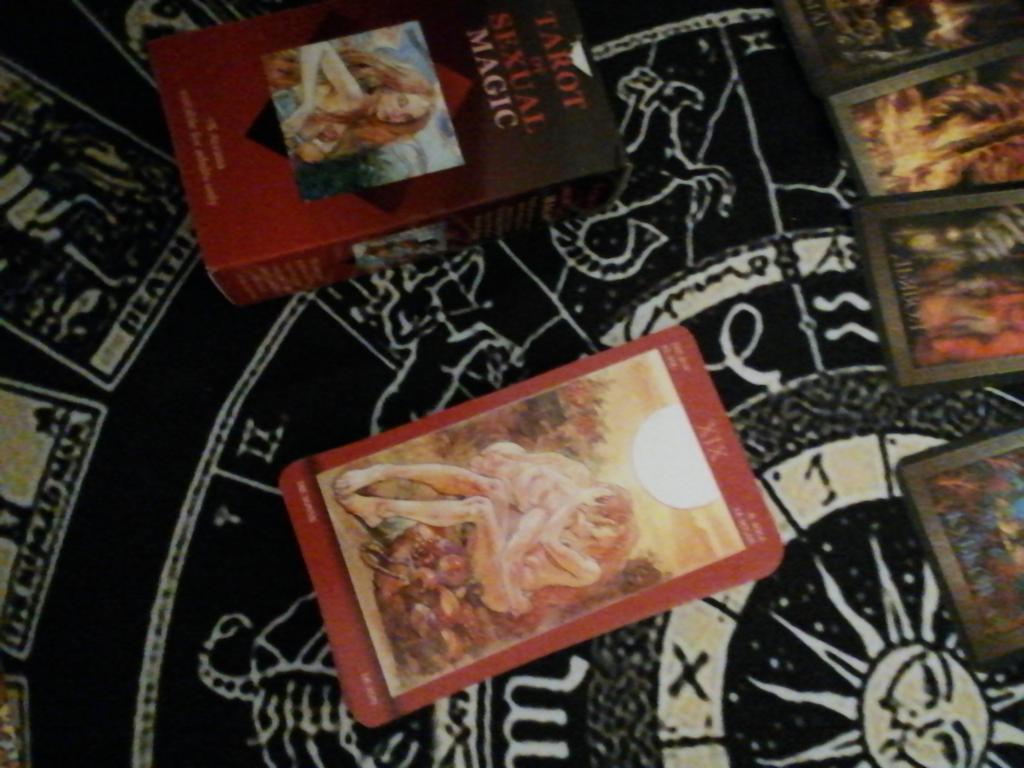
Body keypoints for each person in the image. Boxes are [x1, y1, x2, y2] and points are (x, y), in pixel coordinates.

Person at [332, 441, 637, 616]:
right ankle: (383, 473)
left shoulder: (587, 567)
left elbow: (524, 553)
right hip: (499, 555)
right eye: (592, 513)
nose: (588, 524)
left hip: (500, 587)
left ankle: (383, 508)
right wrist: (509, 464)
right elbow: (515, 539)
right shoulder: (556, 512)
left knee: (482, 508)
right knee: (489, 488)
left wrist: (570, 505)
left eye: (599, 525)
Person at [265, 40, 436, 164]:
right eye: (401, 102)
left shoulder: (357, 121)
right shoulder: (355, 95)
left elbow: (310, 148)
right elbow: (317, 47)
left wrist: (315, 148)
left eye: (406, 118)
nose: (396, 115)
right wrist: (307, 104)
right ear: (390, 89)